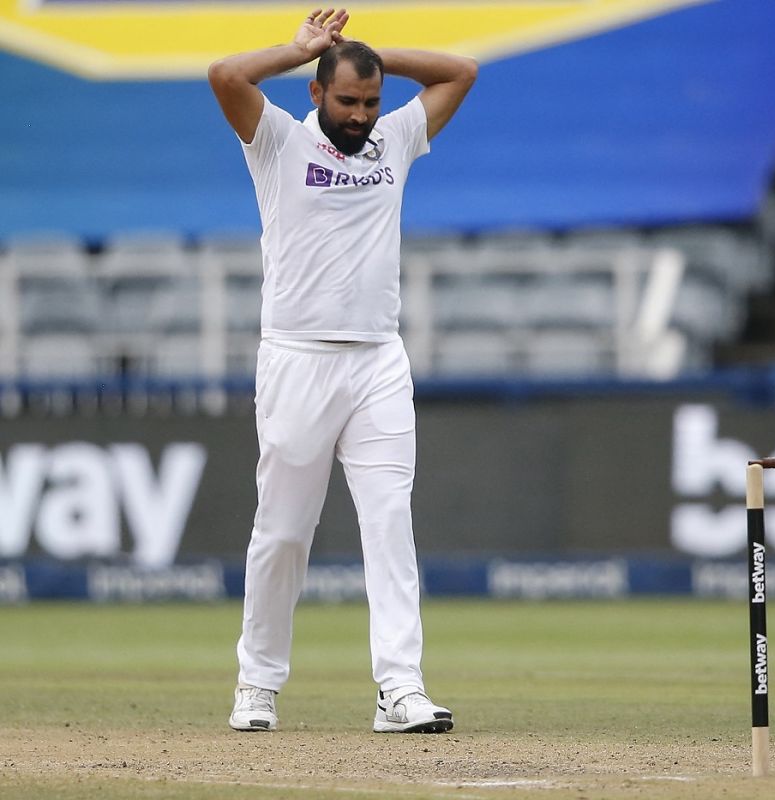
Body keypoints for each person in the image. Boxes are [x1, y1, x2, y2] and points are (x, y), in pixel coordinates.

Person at [207, 7, 476, 733]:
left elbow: (461, 72)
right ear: (318, 93)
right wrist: (302, 50)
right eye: (347, 100)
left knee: (390, 522)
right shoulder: (277, 141)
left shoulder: (395, 136)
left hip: (379, 361)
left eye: (370, 102)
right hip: (297, 358)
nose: (360, 116)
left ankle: (401, 689)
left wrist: (369, 53)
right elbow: (225, 76)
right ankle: (257, 682)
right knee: (285, 532)